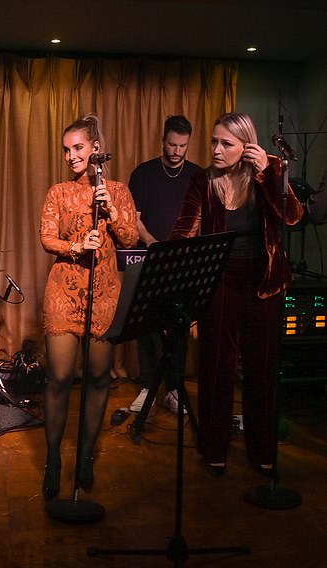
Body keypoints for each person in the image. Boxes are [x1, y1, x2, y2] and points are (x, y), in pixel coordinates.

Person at [170, 111, 304, 477]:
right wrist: (171, 271)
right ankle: (214, 448)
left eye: (226, 143)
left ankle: (263, 450)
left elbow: (292, 216)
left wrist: (267, 173)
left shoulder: (269, 171)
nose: (216, 149)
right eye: (214, 141)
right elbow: (183, 232)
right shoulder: (202, 181)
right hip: (220, 281)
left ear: (247, 146)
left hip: (263, 282)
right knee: (216, 368)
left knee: (261, 369)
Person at [39, 113, 139, 498]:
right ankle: (52, 459)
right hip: (63, 291)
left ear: (96, 149)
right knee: (60, 378)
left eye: (77, 147)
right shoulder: (58, 192)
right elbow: (47, 237)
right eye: (66, 149)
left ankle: (85, 458)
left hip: (105, 293)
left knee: (99, 378)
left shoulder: (119, 190)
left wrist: (112, 208)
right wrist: (76, 247)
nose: (70, 156)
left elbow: (129, 238)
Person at [128, 115, 201, 414]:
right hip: (150, 258)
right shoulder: (143, 173)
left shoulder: (197, 176)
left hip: (183, 263)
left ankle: (173, 388)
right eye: (172, 144)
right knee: (146, 327)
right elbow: (134, 216)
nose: (176, 151)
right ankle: (148, 387)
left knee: (179, 327)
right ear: (163, 140)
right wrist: (150, 241)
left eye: (182, 146)